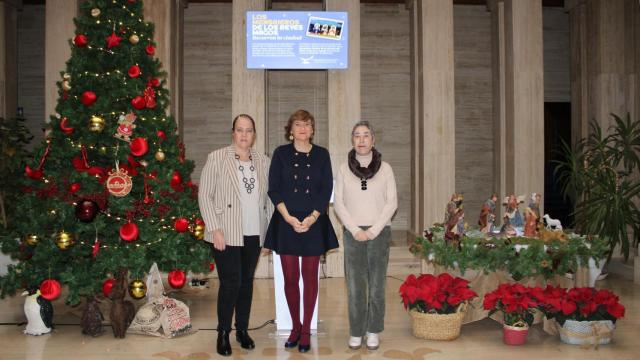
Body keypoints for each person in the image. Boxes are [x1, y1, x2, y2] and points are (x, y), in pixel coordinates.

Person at [263, 109, 338, 353]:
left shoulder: (322, 155)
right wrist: (289, 218)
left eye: (307, 124)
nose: (303, 128)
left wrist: (313, 217)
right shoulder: (280, 154)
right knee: (291, 279)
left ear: (312, 129)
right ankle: (295, 327)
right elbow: (273, 189)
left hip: (313, 224)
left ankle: (307, 329)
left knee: (310, 279)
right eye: (298, 124)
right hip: (286, 224)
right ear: (291, 130)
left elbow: (326, 189)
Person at [198, 114, 272, 357]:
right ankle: (223, 333)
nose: (244, 135)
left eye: (248, 130)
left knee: (246, 283)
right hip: (226, 231)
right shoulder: (217, 158)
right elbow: (204, 195)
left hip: (254, 232)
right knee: (231, 282)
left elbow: (269, 199)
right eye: (239, 130)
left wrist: (268, 234)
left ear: (254, 134)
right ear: (233, 132)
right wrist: (214, 227)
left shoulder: (263, 160)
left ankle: (242, 330)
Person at [334, 121, 397, 351]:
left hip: (379, 233)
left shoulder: (386, 168)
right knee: (355, 285)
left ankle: (373, 330)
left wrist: (373, 230)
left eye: (366, 135)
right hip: (353, 234)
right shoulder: (343, 169)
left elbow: (392, 203)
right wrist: (355, 229)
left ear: (373, 140)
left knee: (377, 285)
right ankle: (356, 331)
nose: (361, 140)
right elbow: (339, 203)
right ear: (352, 140)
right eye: (357, 136)